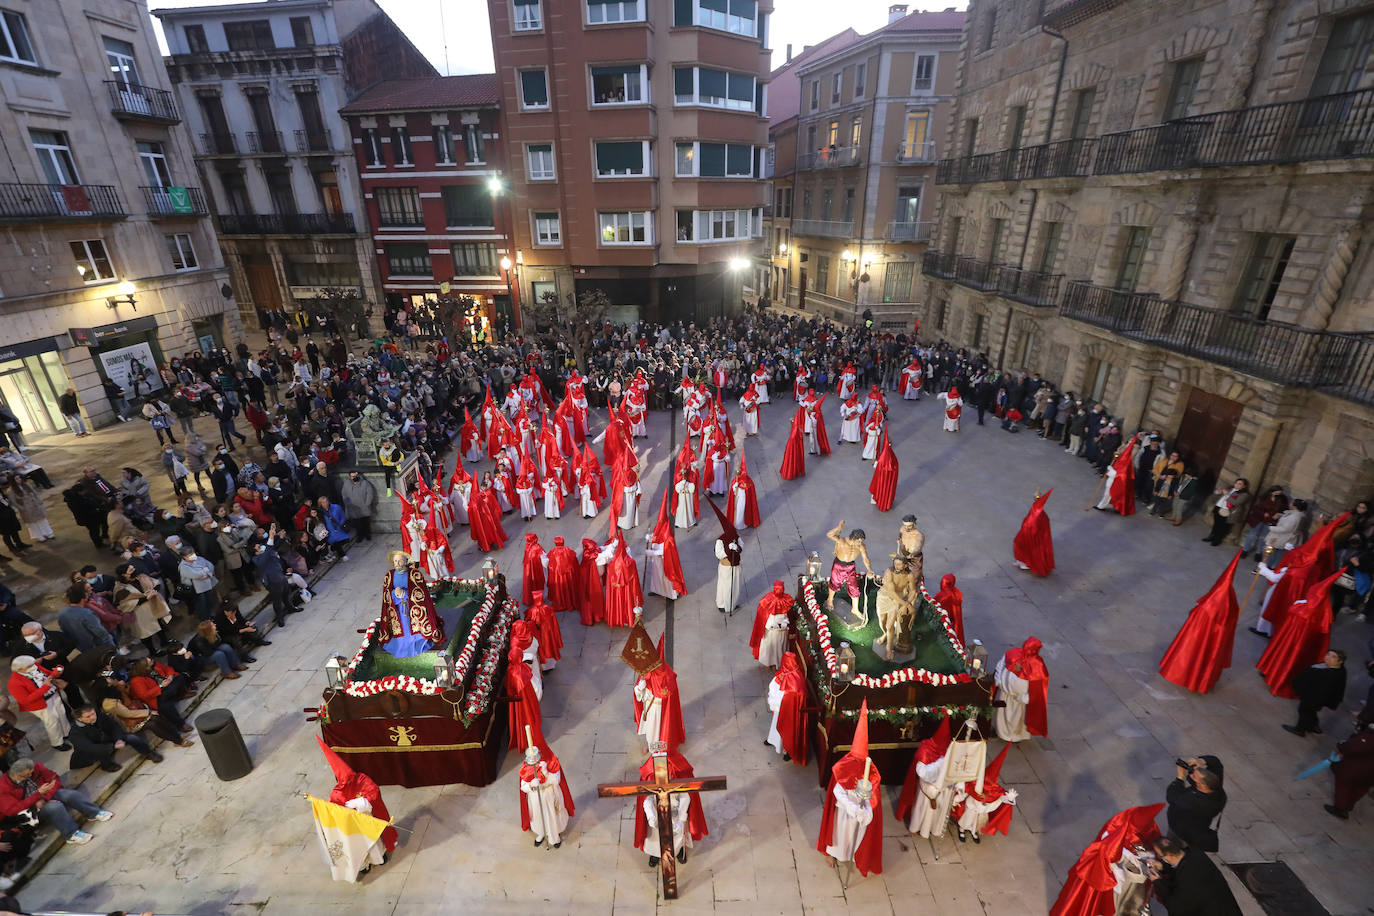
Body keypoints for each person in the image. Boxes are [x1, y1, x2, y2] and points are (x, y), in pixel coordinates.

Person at [1158, 552, 1243, 694]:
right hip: (1214, 633)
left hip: (1200, 633)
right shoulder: (1230, 603)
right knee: (1208, 654)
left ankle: (1189, 676)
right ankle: (1202, 680)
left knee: (1194, 652)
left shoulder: (1208, 604)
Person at [816, 700, 882, 876]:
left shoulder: (871, 770)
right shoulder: (844, 766)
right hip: (844, 811)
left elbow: (873, 794)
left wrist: (866, 809)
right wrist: (850, 806)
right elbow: (837, 791)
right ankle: (833, 854)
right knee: (839, 833)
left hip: (859, 813)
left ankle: (856, 856)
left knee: (856, 836)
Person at [0, 758, 113, 846]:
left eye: (31, 772)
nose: (31, 775)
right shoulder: (3, 787)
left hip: (45, 796)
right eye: (27, 775)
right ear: (16, 776)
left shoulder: (35, 767)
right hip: (31, 813)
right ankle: (71, 834)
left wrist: (44, 797)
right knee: (55, 807)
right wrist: (37, 797)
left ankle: (94, 813)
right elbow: (11, 810)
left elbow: (54, 779)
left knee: (69, 794)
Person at [631, 750, 709, 868]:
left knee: (678, 836)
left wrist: (681, 818)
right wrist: (651, 816)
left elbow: (685, 797)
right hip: (658, 816)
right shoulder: (651, 778)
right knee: (655, 838)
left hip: (675, 814)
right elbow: (647, 800)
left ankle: (679, 850)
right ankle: (656, 854)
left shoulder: (678, 775)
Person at [1147, 835, 1242, 916]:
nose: (1159, 858)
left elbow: (1176, 908)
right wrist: (1163, 866)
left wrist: (1157, 882)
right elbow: (1180, 864)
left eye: (1160, 856)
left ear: (1169, 856)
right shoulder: (1194, 852)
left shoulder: (1187, 878)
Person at [896, 716, 957, 840]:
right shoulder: (926, 749)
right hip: (927, 788)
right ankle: (916, 828)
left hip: (943, 790)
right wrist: (939, 765)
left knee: (937, 813)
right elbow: (921, 772)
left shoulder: (952, 752)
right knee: (921, 810)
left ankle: (935, 829)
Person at [378, 551, 445, 658]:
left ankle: (418, 643)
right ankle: (401, 646)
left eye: (400, 561)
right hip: (398, 609)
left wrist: (404, 594)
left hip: (413, 608)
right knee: (402, 629)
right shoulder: (389, 576)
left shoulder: (415, 574)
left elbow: (421, 593)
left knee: (414, 628)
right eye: (395, 561)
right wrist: (395, 594)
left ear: (406, 561)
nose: (397, 564)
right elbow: (386, 595)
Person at [68, 704, 162, 771]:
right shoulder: (75, 733)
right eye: (88, 716)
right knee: (98, 751)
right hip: (92, 751)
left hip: (107, 739)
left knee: (132, 738)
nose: (93, 717)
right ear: (79, 719)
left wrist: (118, 739)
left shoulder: (100, 716)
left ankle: (149, 753)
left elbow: (114, 727)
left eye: (93, 714)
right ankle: (106, 766)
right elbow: (89, 747)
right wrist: (112, 747)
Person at [519, 737, 573, 850]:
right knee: (538, 816)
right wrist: (531, 785)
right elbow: (523, 787)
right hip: (535, 797)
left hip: (550, 794)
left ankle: (554, 837)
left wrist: (546, 773)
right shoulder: (526, 768)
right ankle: (541, 833)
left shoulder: (551, 763)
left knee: (552, 816)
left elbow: (556, 781)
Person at [633, 638, 685, 752]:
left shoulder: (668, 674)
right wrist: (641, 686)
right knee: (650, 729)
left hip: (662, 709)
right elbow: (639, 693)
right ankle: (650, 746)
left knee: (660, 730)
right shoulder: (647, 672)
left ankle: (658, 749)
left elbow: (670, 691)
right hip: (651, 707)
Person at [8, 656, 70, 751]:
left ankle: (67, 733)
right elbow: (25, 700)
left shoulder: (34, 665)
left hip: (53, 695)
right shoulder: (14, 683)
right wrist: (45, 687)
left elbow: (48, 674)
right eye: (29, 665)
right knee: (52, 722)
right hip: (40, 704)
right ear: (20, 669)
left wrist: (57, 670)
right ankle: (57, 743)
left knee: (62, 714)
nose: (34, 665)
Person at [1164, 757, 1225, 852]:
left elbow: (1172, 797)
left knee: (1172, 850)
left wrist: (1180, 778)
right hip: (1197, 826)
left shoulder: (1197, 802)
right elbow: (1215, 762)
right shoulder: (1215, 785)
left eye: (1194, 777)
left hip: (1182, 833)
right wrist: (1201, 761)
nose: (1191, 775)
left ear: (1203, 786)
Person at [994, 637, 1049, 741]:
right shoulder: (1012, 654)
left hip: (1019, 699)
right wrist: (998, 680)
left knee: (1017, 719)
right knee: (1002, 716)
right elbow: (1001, 665)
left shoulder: (1038, 666)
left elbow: (1039, 688)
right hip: (1005, 693)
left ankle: (1015, 736)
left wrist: (1027, 698)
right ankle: (1002, 733)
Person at [1283, 649, 1346, 737]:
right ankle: (1314, 726)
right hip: (1318, 698)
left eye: (1333, 657)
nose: (1328, 657)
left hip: (1314, 698)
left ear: (1340, 661)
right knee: (1311, 711)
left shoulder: (1326, 674)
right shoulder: (1340, 670)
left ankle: (1300, 730)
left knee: (1304, 710)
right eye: (1328, 654)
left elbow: (1318, 687)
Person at [765, 651, 807, 764]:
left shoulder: (795, 681)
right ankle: (772, 740)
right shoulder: (785, 673)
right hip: (780, 709)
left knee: (788, 732)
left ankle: (788, 751)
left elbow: (793, 696)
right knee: (776, 725)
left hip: (790, 713)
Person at [1325, 721, 1374, 819]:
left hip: (1355, 769)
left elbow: (1353, 747)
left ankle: (1340, 809)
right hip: (1370, 775)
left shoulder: (1370, 737)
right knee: (1360, 789)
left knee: (1343, 786)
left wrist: (1341, 745)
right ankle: (1349, 805)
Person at [824, 522, 872, 612]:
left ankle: (855, 609)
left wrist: (869, 569)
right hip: (839, 566)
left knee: (854, 587)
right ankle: (830, 600)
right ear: (853, 538)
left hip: (851, 567)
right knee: (835, 583)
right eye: (859, 541)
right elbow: (829, 534)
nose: (860, 543)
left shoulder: (861, 546)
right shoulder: (842, 541)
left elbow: (865, 559)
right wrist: (838, 528)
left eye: (861, 541)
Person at [749, 580, 793, 668]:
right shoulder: (787, 600)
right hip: (772, 630)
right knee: (778, 647)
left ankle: (771, 663)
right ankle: (775, 663)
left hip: (779, 630)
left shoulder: (767, 599)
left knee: (772, 647)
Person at [1012, 490, 1055, 576]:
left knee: (1021, 545)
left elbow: (1033, 523)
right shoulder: (1040, 512)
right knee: (1020, 544)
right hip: (1028, 532)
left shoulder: (1037, 511)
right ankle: (1021, 561)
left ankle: (1025, 563)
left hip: (1031, 534)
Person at [1204, 478, 1251, 547]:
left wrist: (1227, 495)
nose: (1237, 485)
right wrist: (1218, 491)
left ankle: (1217, 540)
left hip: (1229, 511)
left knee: (1223, 527)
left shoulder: (1244, 495)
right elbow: (1219, 495)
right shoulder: (1230, 488)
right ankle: (1211, 537)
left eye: (1239, 484)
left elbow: (1236, 502)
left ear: (1244, 486)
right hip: (1219, 507)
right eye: (1236, 483)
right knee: (1216, 524)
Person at [178, 547, 219, 621]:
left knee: (210, 602)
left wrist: (206, 574)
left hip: (207, 585)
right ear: (184, 557)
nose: (193, 555)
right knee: (202, 606)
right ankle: (205, 620)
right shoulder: (183, 566)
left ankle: (210, 617)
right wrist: (205, 570)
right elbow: (195, 575)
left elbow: (210, 566)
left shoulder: (199, 559)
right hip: (197, 590)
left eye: (193, 553)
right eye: (190, 555)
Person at [340, 470, 377, 544]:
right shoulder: (346, 484)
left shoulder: (365, 483)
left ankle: (367, 535)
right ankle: (360, 536)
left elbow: (370, 493)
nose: (354, 477)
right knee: (357, 525)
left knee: (366, 523)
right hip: (354, 509)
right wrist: (348, 504)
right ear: (350, 477)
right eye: (352, 476)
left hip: (364, 508)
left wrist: (367, 503)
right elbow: (344, 495)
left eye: (355, 476)